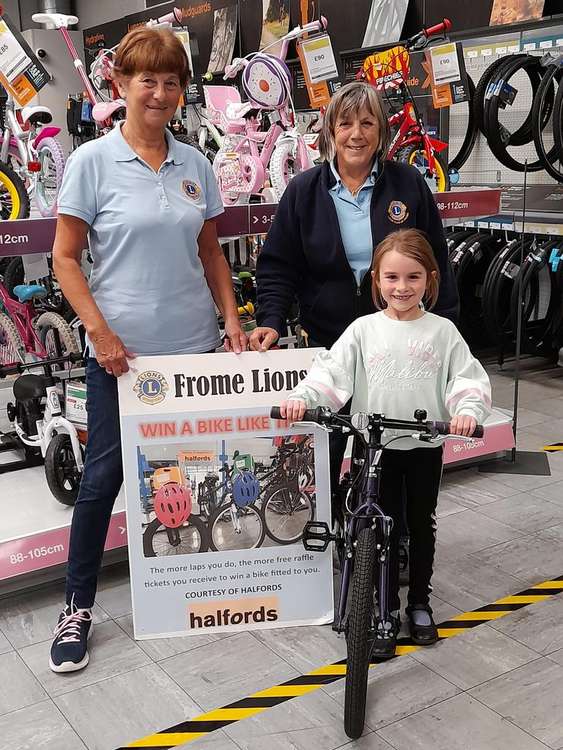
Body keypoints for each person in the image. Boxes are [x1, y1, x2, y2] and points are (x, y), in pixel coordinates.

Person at [49, 27, 246, 673]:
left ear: (182, 91)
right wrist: (100, 334)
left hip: (191, 351)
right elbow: (65, 258)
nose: (159, 92)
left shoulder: (193, 162)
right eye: (147, 80)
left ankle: (188, 588)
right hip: (120, 358)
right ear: (121, 85)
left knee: (185, 469)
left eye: (170, 81)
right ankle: (76, 604)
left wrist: (231, 322)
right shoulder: (92, 162)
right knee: (102, 478)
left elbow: (210, 251)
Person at [280, 229, 491, 656]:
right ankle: (384, 612)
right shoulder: (363, 330)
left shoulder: (442, 332)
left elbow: (466, 378)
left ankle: (419, 605)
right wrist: (303, 399)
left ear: (429, 280)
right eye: (391, 277)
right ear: (376, 279)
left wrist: (467, 411)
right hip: (375, 449)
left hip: (423, 450)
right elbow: (330, 374)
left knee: (419, 525)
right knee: (378, 529)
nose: (401, 287)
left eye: (413, 277)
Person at [249, 80, 459, 494]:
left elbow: (436, 261)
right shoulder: (303, 191)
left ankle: (382, 541)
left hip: (396, 348)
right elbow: (278, 265)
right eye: (345, 123)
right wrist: (270, 320)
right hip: (329, 343)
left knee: (388, 457)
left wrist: (447, 329)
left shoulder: (407, 184)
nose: (356, 134)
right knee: (325, 456)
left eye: (367, 123)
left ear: (381, 130)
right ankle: (331, 544)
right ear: (329, 130)